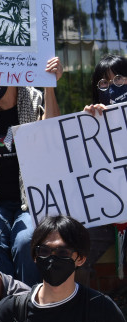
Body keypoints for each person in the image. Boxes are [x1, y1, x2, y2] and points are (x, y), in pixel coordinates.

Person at [0, 57, 63, 287]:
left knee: (27, 241)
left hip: (33, 199)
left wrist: (49, 84)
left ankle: (30, 309)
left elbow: (52, 134)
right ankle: (7, 311)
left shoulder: (37, 101)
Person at [79, 54, 127, 284]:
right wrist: (91, 125)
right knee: (73, 249)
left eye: (119, 79)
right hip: (105, 219)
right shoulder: (89, 122)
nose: (111, 87)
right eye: (104, 83)